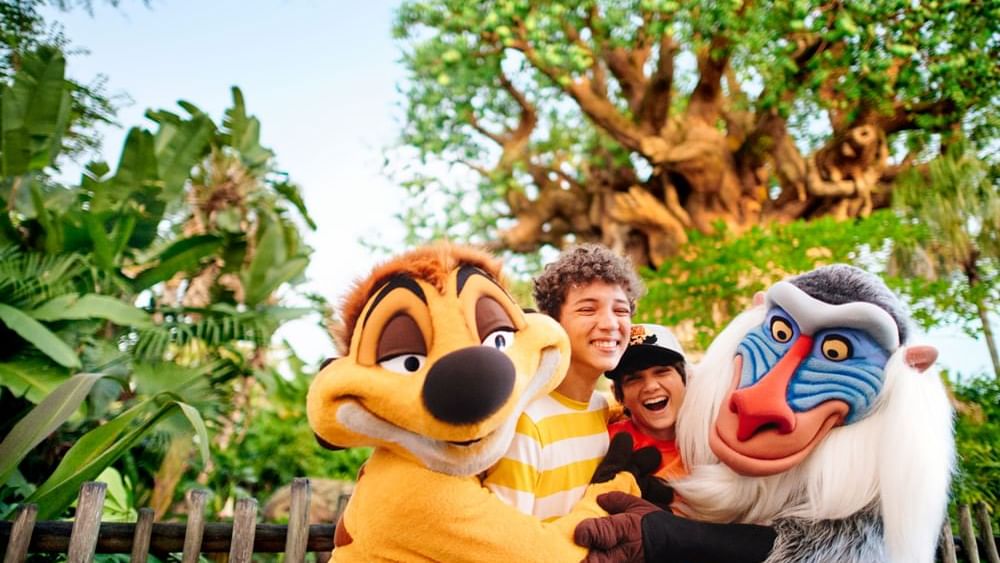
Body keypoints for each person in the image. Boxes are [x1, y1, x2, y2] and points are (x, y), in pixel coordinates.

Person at [483, 243, 645, 521]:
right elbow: (505, 543)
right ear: (553, 324)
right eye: (587, 309)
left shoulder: (601, 411)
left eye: (621, 311)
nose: (609, 323)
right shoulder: (526, 422)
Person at [605, 323, 688, 481]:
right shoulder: (604, 442)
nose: (650, 387)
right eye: (634, 378)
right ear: (618, 395)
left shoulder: (714, 438)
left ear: (685, 378)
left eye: (662, 372)